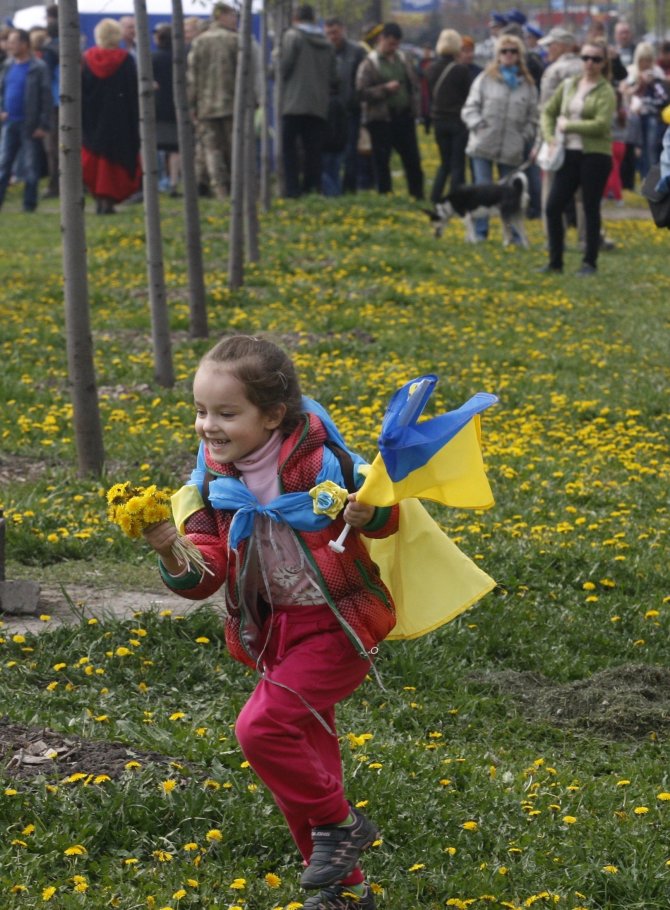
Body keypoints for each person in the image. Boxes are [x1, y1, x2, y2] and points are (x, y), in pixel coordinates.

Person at [143, 335, 396, 910]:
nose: (209, 425)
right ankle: (345, 890)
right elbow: (204, 575)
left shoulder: (319, 459)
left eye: (227, 413)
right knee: (304, 764)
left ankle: (343, 823)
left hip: (337, 626)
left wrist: (369, 510)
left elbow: (382, 509)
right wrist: (169, 550)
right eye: (202, 411)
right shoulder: (211, 483)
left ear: (273, 416)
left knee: (260, 732)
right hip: (275, 634)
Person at [539, 39, 616, 275]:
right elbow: (548, 112)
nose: (589, 63)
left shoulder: (606, 91)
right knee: (553, 207)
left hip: (595, 155)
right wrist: (550, 137)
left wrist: (570, 125)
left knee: (590, 208)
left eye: (596, 59)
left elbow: (602, 125)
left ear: (604, 64)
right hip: (568, 153)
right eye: (585, 58)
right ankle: (555, 262)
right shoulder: (569, 85)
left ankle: (589, 262)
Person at [461, 33, 538, 241]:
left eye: (513, 51)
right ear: (497, 55)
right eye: (504, 51)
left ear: (519, 55)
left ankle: (514, 234)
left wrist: (524, 137)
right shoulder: (485, 79)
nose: (509, 55)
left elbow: (534, 117)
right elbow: (469, 108)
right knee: (482, 191)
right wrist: (478, 125)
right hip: (483, 144)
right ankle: (479, 233)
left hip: (512, 148)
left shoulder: (528, 85)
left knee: (511, 194)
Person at [356, 21, 424, 200]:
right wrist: (385, 89)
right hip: (381, 119)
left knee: (412, 159)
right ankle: (385, 194)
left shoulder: (403, 59)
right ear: (382, 39)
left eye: (396, 44)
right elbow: (362, 92)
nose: (393, 48)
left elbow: (413, 85)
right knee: (382, 161)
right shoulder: (370, 63)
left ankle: (417, 194)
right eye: (390, 43)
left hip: (404, 117)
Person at [81, 18, 141, 214]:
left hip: (92, 120)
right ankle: (109, 201)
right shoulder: (126, 60)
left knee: (95, 162)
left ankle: (99, 199)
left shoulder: (86, 59)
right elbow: (133, 93)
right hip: (120, 120)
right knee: (115, 163)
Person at [279, 4, 337, 198]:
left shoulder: (292, 36)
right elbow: (334, 76)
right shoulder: (327, 42)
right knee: (313, 150)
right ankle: (312, 188)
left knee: (289, 149)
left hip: (293, 103)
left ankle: (292, 190)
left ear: (295, 18)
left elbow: (283, 67)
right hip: (318, 105)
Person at [187, 2, 238, 201]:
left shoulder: (199, 42)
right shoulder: (235, 40)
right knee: (234, 148)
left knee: (212, 149)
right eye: (232, 15)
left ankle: (220, 190)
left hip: (206, 106)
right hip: (232, 104)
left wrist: (192, 104)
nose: (235, 20)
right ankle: (236, 187)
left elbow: (192, 75)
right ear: (221, 15)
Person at [0, 28, 51, 213]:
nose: (10, 45)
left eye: (14, 42)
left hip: (30, 124)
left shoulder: (38, 67)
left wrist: (43, 124)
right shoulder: (7, 65)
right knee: (4, 164)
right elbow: (2, 90)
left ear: (24, 44)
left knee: (31, 166)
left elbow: (45, 98)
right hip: (9, 123)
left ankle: (29, 204)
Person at [426, 28, 473, 203]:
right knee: (458, 164)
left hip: (438, 121)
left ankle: (435, 197)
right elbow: (468, 96)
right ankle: (456, 200)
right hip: (457, 121)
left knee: (444, 163)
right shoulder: (460, 70)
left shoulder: (430, 69)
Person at [322, 16, 365, 195]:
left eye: (336, 32)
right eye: (329, 33)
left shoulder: (356, 52)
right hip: (329, 111)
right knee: (330, 150)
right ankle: (332, 188)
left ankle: (349, 187)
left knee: (350, 152)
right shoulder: (323, 51)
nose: (333, 36)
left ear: (343, 30)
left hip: (350, 110)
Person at [622, 42, 669, 179]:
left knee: (651, 148)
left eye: (649, 60)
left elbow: (664, 94)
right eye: (643, 60)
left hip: (653, 115)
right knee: (634, 149)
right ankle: (636, 176)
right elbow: (625, 92)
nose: (646, 63)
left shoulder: (657, 72)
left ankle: (651, 178)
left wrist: (656, 81)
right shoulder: (631, 71)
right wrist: (639, 84)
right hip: (634, 116)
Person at [152, 23, 180, 197]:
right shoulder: (180, 58)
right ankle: (174, 182)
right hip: (176, 108)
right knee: (176, 148)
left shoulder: (152, 58)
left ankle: (154, 181)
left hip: (157, 108)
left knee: (155, 147)